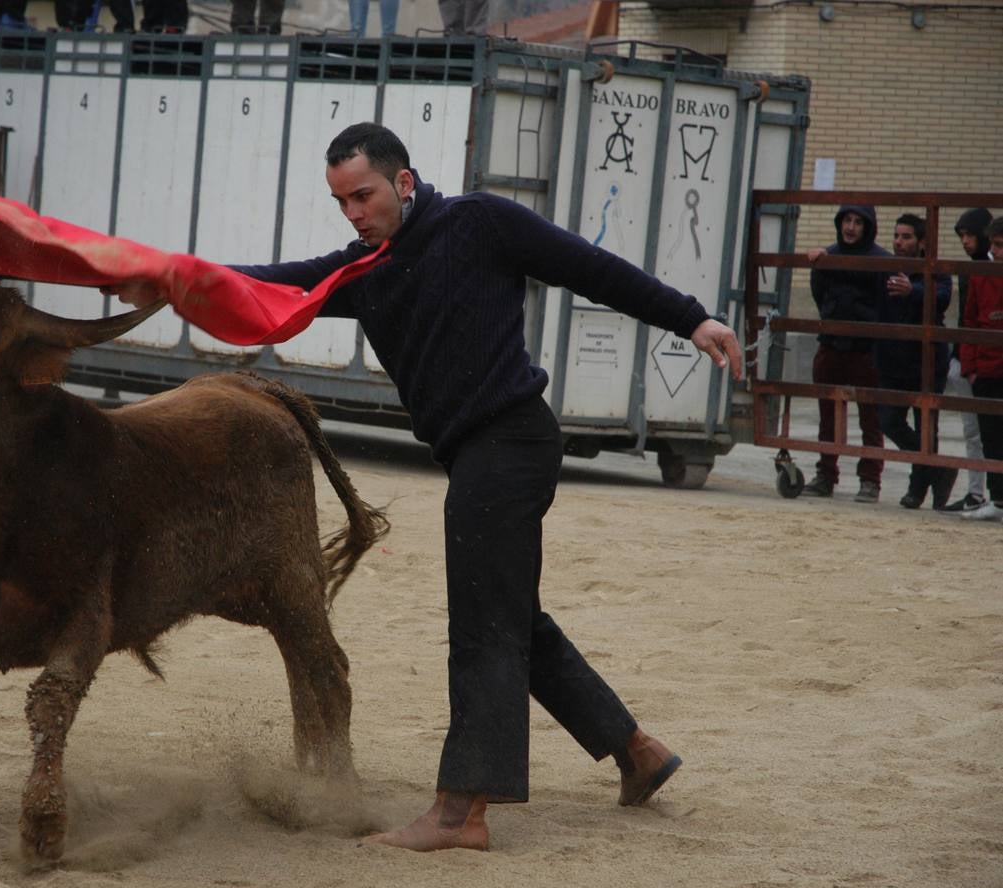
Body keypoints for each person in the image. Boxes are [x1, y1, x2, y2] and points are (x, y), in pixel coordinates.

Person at [116, 122, 742, 851]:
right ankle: (636, 750)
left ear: (403, 182)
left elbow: (592, 268)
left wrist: (690, 318)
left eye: (364, 195)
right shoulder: (364, 269)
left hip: (509, 442)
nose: (353, 212)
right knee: (509, 611)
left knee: (482, 623)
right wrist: (166, 277)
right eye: (340, 201)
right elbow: (267, 282)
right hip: (478, 453)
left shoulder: (480, 223)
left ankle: (459, 814)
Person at [804, 205, 888, 502]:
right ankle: (825, 475)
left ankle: (870, 481)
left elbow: (887, 303)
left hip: (866, 351)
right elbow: (818, 293)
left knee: (871, 419)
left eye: (857, 222)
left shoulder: (882, 261)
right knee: (828, 418)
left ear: (868, 227)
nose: (851, 227)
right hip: (830, 346)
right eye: (847, 221)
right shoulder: (828, 256)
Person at [876, 213, 954, 509]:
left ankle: (918, 489)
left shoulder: (936, 269)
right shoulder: (885, 267)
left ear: (921, 242)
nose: (899, 242)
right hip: (892, 361)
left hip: (927, 362)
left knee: (926, 427)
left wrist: (914, 292)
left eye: (906, 237)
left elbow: (943, 297)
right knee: (890, 422)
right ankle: (938, 470)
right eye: (896, 236)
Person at [939, 207, 993, 513]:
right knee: (974, 430)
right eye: (962, 236)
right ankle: (977, 493)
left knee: (986, 430)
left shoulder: (984, 270)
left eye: (970, 235)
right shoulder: (969, 271)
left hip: (982, 361)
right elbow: (967, 319)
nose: (965, 241)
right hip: (970, 358)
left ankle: (985, 494)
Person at [958, 216, 1003, 522]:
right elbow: (970, 321)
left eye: (1000, 246)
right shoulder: (979, 275)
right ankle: (998, 499)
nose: (996, 252)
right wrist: (970, 367)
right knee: (990, 436)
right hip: (986, 369)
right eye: (995, 245)